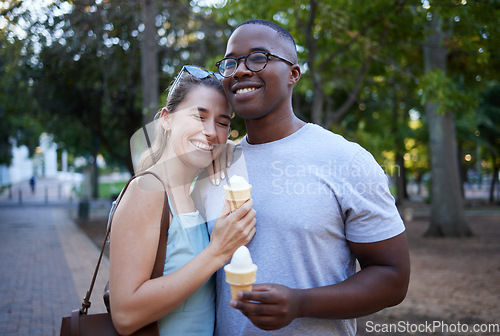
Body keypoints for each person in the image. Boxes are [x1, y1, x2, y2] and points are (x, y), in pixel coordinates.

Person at [191, 19, 410, 335]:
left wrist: (300, 303)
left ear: (293, 74)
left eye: (257, 57)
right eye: (230, 62)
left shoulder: (346, 159)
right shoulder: (215, 162)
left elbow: (393, 277)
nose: (239, 71)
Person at [108, 65, 257, 336]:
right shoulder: (148, 189)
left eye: (222, 123)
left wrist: (230, 148)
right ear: (166, 118)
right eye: (199, 116)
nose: (211, 131)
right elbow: (124, 315)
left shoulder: (192, 194)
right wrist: (218, 252)